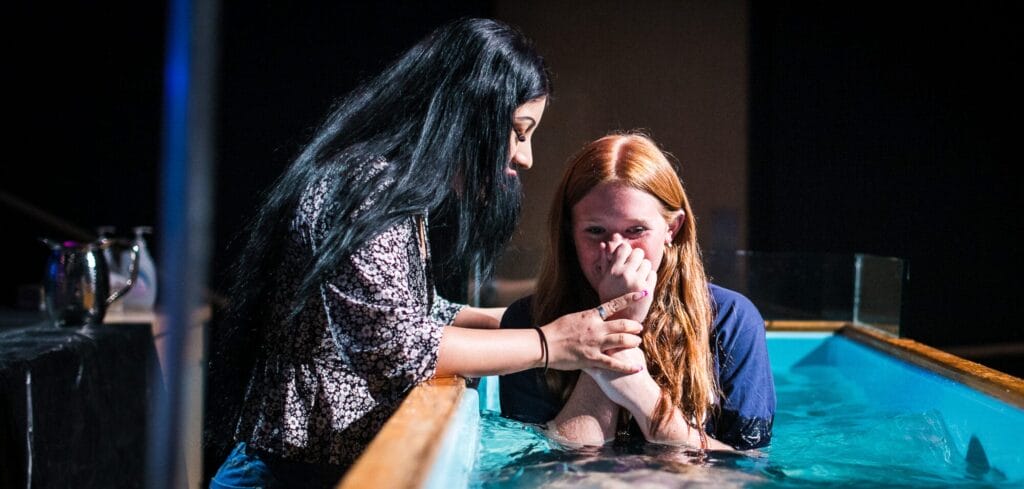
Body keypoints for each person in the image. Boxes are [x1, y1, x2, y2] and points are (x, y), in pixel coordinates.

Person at [207, 18, 649, 488]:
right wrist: (551, 344)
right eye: (519, 131)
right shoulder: (366, 190)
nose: (525, 157)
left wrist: (524, 318)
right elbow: (397, 348)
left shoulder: (389, 191)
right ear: (470, 115)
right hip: (285, 476)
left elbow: (411, 314)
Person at [499, 132, 775, 451]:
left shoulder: (732, 320)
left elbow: (745, 471)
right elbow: (553, 472)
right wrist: (614, 326)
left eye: (636, 230)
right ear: (569, 233)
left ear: (672, 229)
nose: (616, 250)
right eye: (595, 231)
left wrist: (640, 392)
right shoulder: (528, 323)